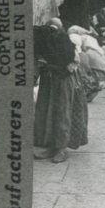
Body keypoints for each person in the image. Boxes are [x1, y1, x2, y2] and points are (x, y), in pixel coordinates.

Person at [33, 18, 88, 164]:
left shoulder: (65, 43)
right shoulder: (44, 41)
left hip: (63, 81)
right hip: (48, 81)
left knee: (62, 113)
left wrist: (50, 66)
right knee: (46, 112)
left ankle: (62, 148)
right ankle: (51, 146)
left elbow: (70, 67)